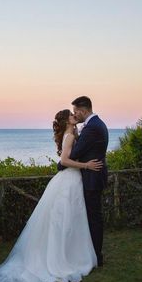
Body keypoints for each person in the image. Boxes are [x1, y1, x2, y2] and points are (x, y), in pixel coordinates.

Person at [0, 109, 103, 282]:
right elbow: (64, 161)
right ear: (67, 121)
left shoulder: (72, 134)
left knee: (70, 219)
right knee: (64, 219)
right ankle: (61, 258)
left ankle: (69, 253)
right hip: (69, 179)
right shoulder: (69, 136)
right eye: (72, 116)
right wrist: (86, 165)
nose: (75, 117)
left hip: (71, 180)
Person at [58, 96, 109, 266]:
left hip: (92, 178)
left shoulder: (92, 128)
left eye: (75, 112)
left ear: (83, 110)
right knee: (90, 216)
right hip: (91, 177)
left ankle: (96, 256)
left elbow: (73, 154)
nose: (74, 115)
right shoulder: (96, 124)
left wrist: (62, 165)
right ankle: (91, 253)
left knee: (93, 217)